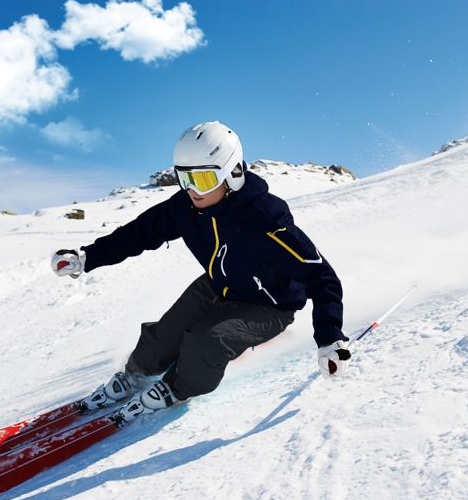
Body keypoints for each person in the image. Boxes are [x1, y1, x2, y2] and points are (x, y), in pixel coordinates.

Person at [51, 121, 350, 422]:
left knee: (205, 341)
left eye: (204, 179)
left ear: (232, 174)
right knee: (163, 337)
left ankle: (178, 388)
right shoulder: (187, 207)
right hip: (217, 287)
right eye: (185, 178)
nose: (193, 190)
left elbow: (320, 275)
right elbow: (140, 233)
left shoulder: (265, 218)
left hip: (269, 306)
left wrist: (329, 337)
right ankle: (134, 376)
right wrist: (87, 257)